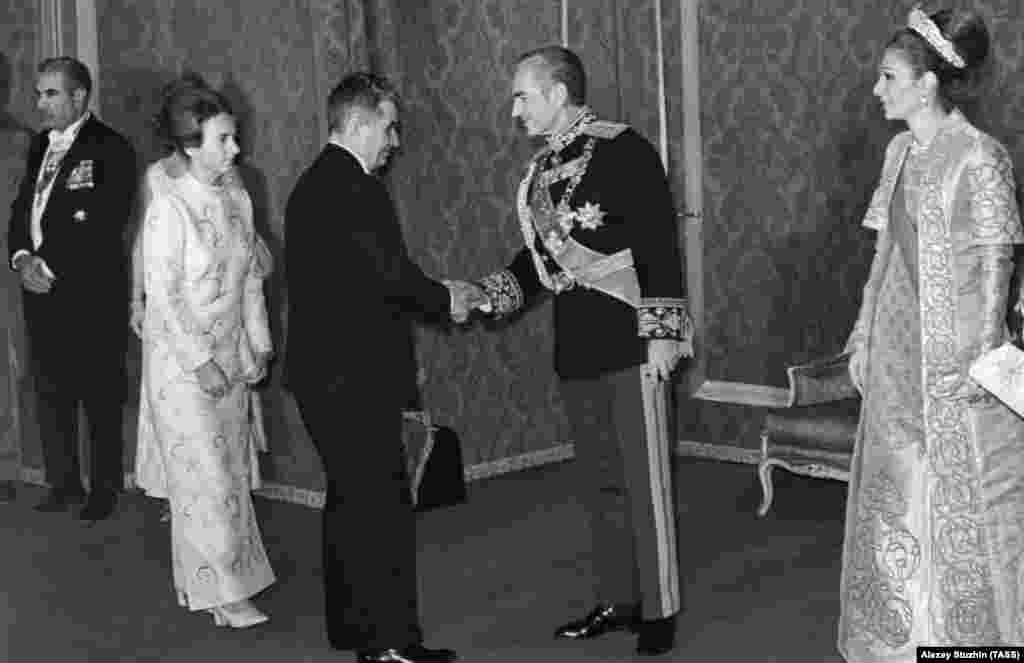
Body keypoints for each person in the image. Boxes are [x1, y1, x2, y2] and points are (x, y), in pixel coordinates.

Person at [467, 46, 692, 656]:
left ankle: (660, 607)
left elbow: (657, 244)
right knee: (602, 482)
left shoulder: (624, 150)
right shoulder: (541, 172)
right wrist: (494, 293)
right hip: (579, 344)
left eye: (523, 96)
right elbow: (542, 261)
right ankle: (620, 597)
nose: (515, 110)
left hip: (631, 340)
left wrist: (664, 333)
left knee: (645, 482)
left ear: (559, 93)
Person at [839, 7, 1024, 659]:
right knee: (897, 494)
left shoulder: (981, 157)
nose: (877, 90)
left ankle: (963, 642)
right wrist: (863, 337)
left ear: (926, 84)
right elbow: (883, 255)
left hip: (955, 363)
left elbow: (999, 268)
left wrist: (977, 363)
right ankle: (896, 638)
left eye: (889, 77)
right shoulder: (897, 152)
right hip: (895, 351)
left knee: (957, 500)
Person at [284, 72, 474, 663]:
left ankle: (354, 634)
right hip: (354, 380)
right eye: (389, 126)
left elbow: (362, 284)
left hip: (322, 376)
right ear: (360, 123)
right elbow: (392, 278)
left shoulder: (312, 183)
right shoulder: (356, 189)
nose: (394, 140)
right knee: (383, 511)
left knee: (348, 505)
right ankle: (392, 644)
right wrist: (449, 299)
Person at [136, 78, 275, 628]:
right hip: (181, 367)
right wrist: (202, 362)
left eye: (233, 138)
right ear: (190, 145)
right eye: (223, 140)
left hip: (230, 358)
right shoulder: (168, 208)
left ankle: (228, 583)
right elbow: (162, 296)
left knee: (231, 475)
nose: (234, 150)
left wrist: (258, 345)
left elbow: (250, 284)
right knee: (204, 480)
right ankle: (218, 591)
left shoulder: (237, 199)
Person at [6, 56, 136, 522]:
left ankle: (103, 490)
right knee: (50, 389)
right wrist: (21, 258)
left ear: (80, 96)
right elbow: (25, 209)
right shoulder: (40, 143)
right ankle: (62, 483)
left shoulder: (111, 147)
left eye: (50, 93)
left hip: (88, 291)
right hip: (39, 288)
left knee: (98, 393)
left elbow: (102, 223)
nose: (40, 103)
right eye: (39, 93)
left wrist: (49, 265)